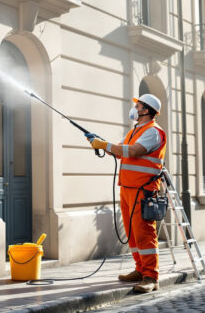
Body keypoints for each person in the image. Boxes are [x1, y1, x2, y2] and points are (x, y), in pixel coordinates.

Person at [87, 94, 166, 293]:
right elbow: (119, 150)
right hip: (128, 188)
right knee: (132, 233)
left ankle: (151, 277)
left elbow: (134, 151)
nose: (135, 108)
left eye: (138, 105)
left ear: (146, 110)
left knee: (144, 233)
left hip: (143, 190)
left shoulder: (153, 131)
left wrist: (105, 145)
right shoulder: (135, 131)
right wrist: (100, 142)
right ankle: (140, 270)